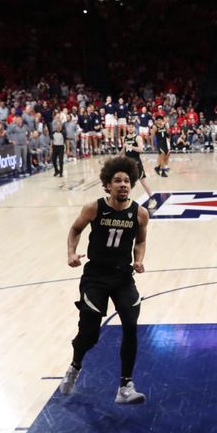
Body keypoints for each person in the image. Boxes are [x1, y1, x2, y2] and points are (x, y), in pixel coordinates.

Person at [59, 156, 149, 403]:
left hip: (123, 277)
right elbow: (75, 229)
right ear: (107, 185)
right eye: (117, 180)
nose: (123, 184)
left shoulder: (140, 213)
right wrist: (70, 253)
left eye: (127, 181)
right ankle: (75, 365)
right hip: (95, 276)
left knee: (131, 326)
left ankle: (125, 386)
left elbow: (140, 241)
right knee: (89, 335)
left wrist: (138, 259)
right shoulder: (94, 208)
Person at [122, 130, 158, 209]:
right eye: (129, 126)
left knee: (143, 183)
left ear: (133, 127)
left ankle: (152, 199)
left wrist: (131, 146)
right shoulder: (124, 138)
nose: (130, 128)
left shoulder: (137, 137)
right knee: (127, 184)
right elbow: (124, 152)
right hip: (128, 164)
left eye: (132, 126)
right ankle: (123, 202)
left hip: (137, 164)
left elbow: (141, 149)